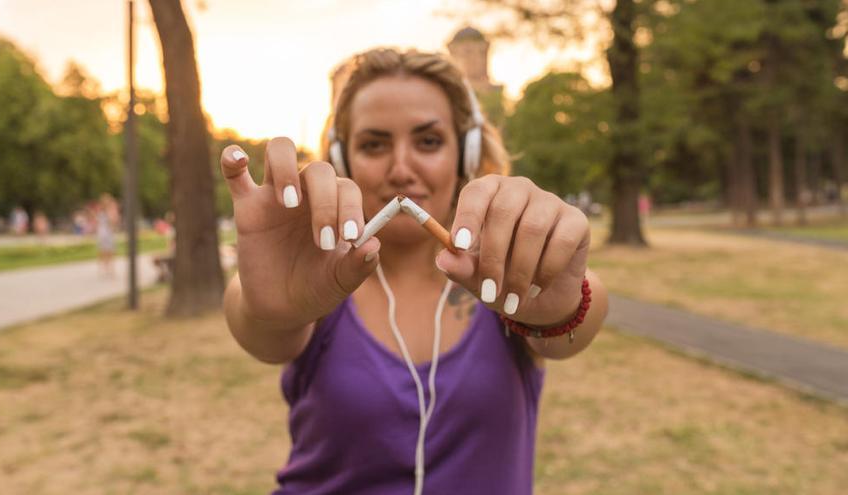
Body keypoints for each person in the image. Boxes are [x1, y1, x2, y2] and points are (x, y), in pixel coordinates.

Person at [221, 48, 608, 495]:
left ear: (465, 153)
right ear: (342, 160)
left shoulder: (507, 272)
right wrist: (275, 308)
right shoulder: (315, 276)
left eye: (427, 142)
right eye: (374, 144)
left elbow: (578, 313)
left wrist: (557, 306)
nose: (402, 169)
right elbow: (259, 321)